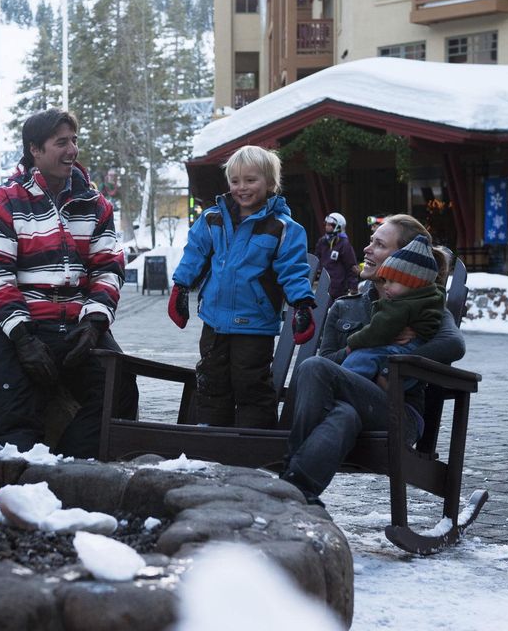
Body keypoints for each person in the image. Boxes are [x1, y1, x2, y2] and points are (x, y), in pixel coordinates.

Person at [0, 108, 137, 458]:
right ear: (35, 149)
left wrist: (94, 324)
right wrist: (22, 338)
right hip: (20, 326)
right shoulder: (1, 203)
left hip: (77, 327)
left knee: (118, 389)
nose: (72, 150)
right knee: (11, 411)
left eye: (74, 140)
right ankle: (19, 487)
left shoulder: (95, 204)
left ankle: (69, 468)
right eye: (61, 142)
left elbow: (108, 267)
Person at [282, 214, 466, 506]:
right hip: (348, 404)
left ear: (402, 257)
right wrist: (373, 343)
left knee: (314, 367)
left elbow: (453, 344)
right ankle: (298, 491)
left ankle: (286, 476)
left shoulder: (423, 307)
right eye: (370, 242)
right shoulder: (345, 307)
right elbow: (329, 359)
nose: (367, 249)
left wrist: (386, 365)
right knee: (343, 414)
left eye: (379, 245)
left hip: (397, 412)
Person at [167, 145, 316, 429]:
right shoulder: (213, 219)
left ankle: (254, 444)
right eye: (235, 181)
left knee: (251, 385)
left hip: (254, 325)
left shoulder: (283, 228)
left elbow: (293, 270)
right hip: (214, 321)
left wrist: (302, 304)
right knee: (211, 381)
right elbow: (195, 253)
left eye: (251, 180)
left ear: (270, 183)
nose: (242, 187)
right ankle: (211, 441)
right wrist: (181, 287)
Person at [340, 234, 444, 388]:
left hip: (402, 355)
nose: (386, 286)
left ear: (412, 283)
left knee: (361, 356)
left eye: (392, 281)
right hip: (411, 358)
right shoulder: (430, 298)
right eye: (385, 280)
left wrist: (352, 343)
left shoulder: (401, 305)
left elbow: (378, 330)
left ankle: (344, 384)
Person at [314, 212, 358, 300]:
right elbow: (316, 260)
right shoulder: (322, 241)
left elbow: (351, 267)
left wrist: (353, 287)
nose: (327, 226)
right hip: (323, 286)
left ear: (338, 226)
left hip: (339, 290)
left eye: (331, 225)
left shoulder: (344, 244)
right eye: (326, 224)